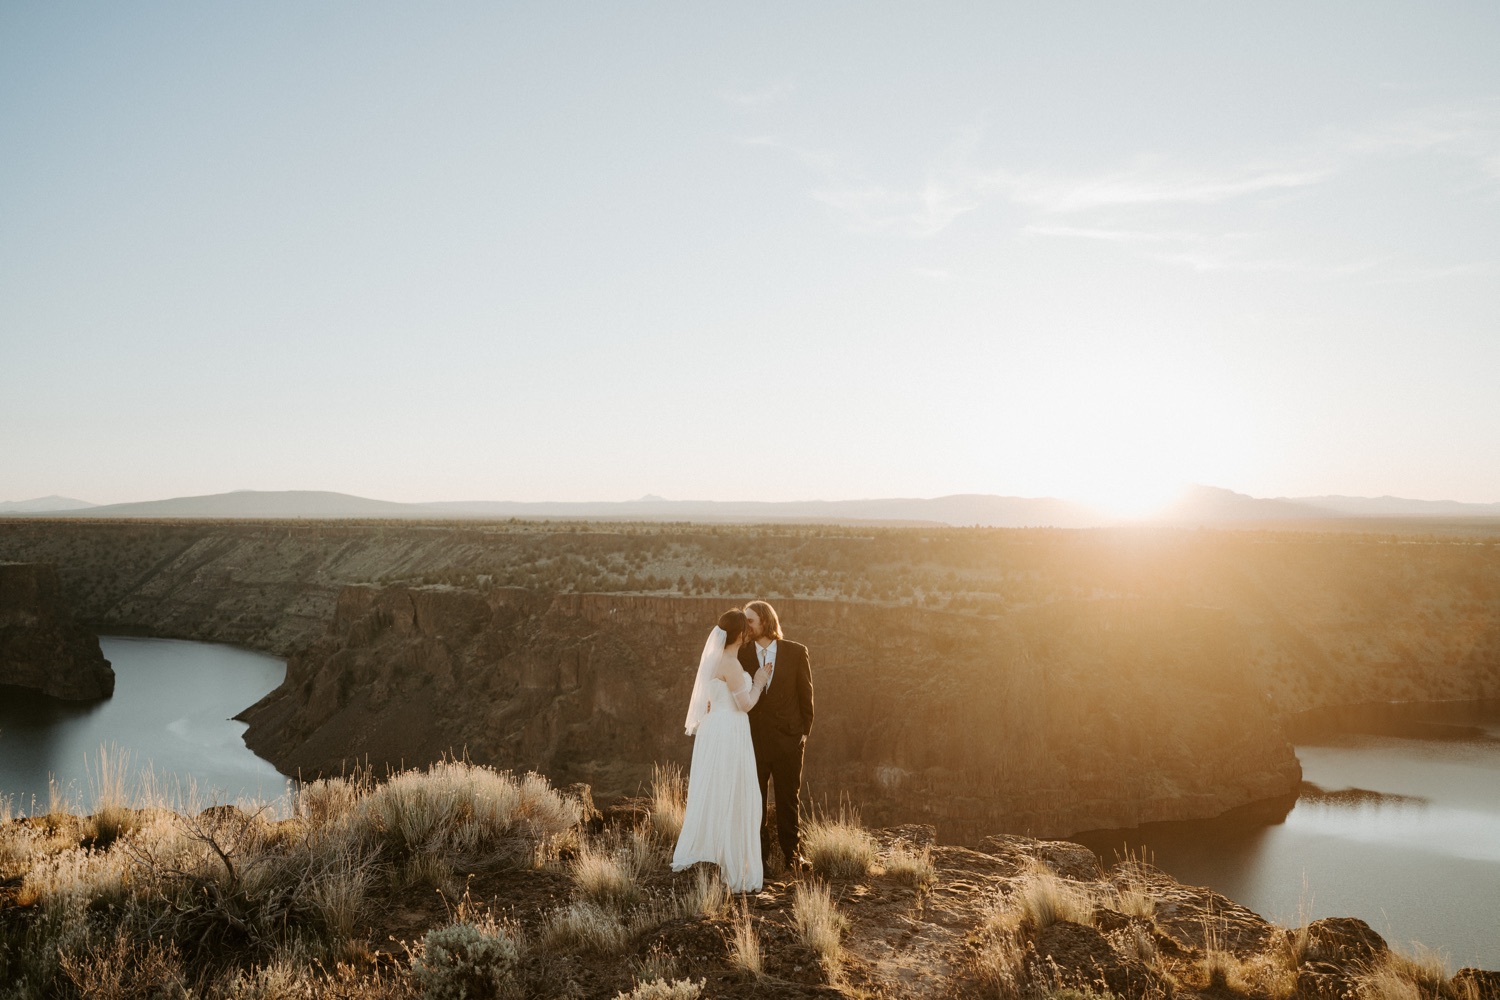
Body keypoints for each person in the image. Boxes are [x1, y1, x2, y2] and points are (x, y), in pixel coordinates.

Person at [671, 608, 771, 892]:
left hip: (713, 729)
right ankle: (730, 864)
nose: (749, 633)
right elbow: (745, 704)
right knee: (732, 792)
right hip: (730, 730)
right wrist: (759, 681)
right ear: (740, 635)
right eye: (746, 629)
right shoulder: (730, 664)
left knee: (714, 790)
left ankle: (711, 853)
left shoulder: (714, 660)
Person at [737, 600, 814, 873]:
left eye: (750, 620)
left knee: (788, 799)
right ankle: (760, 859)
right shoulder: (741, 654)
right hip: (753, 741)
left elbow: (806, 696)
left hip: (789, 742)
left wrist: (803, 733)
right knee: (755, 801)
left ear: (765, 621)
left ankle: (793, 855)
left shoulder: (796, 652)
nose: (746, 625)